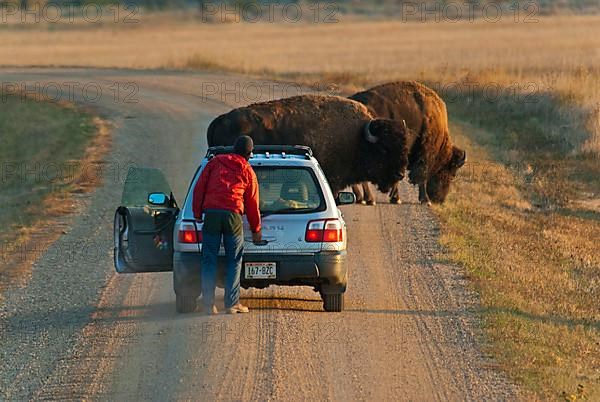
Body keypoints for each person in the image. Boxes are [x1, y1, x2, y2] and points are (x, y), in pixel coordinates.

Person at [192, 135, 262, 315]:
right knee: (234, 259)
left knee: (209, 259)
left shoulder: (215, 163)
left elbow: (199, 188)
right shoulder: (247, 170)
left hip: (212, 215)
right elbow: (252, 203)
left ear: (233, 148)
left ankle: (208, 305)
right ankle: (231, 304)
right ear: (249, 153)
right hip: (233, 216)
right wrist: (256, 229)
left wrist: (197, 214)